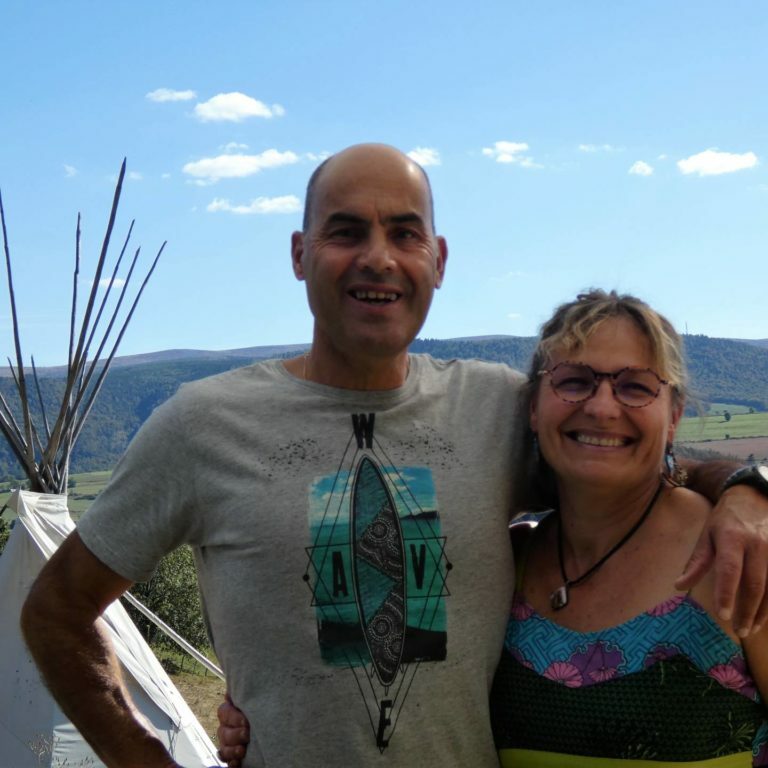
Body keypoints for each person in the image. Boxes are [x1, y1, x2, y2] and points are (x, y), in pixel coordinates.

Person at [20, 144, 768, 768]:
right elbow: (56, 610)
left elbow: (625, 457)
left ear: (436, 260)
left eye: (405, 233)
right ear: (299, 253)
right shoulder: (203, 425)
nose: (378, 258)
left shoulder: (496, 409)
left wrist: (742, 487)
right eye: (346, 231)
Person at [489, 290, 768, 765]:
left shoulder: (738, 554)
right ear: (534, 409)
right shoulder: (508, 563)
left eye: (636, 387)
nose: (601, 407)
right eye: (573, 381)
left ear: (675, 416)